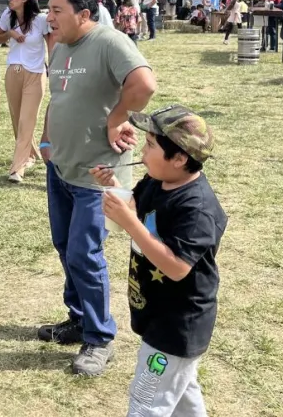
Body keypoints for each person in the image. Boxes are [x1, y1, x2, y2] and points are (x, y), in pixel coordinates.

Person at [37, 0, 156, 377]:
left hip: (98, 173)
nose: (49, 17)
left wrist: (117, 117)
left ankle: (100, 338)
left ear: (83, 14)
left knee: (84, 254)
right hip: (62, 167)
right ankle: (79, 320)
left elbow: (144, 84)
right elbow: (59, 97)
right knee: (64, 246)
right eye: (48, 10)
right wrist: (47, 138)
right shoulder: (60, 47)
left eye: (56, 10)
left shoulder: (109, 42)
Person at [92, 105, 226, 416]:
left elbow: (178, 268)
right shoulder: (157, 180)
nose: (143, 149)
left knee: (146, 402)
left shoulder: (197, 209)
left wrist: (130, 223)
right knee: (181, 394)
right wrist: (113, 187)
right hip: (157, 313)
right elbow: (138, 208)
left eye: (151, 145)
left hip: (177, 326)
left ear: (179, 158)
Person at [0, 0, 51, 183]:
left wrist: (53, 66)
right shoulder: (7, 16)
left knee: (27, 120)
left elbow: (51, 44)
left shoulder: (41, 20)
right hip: (13, 72)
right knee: (17, 119)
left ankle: (17, 168)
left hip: (36, 74)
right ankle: (30, 154)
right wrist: (10, 34)